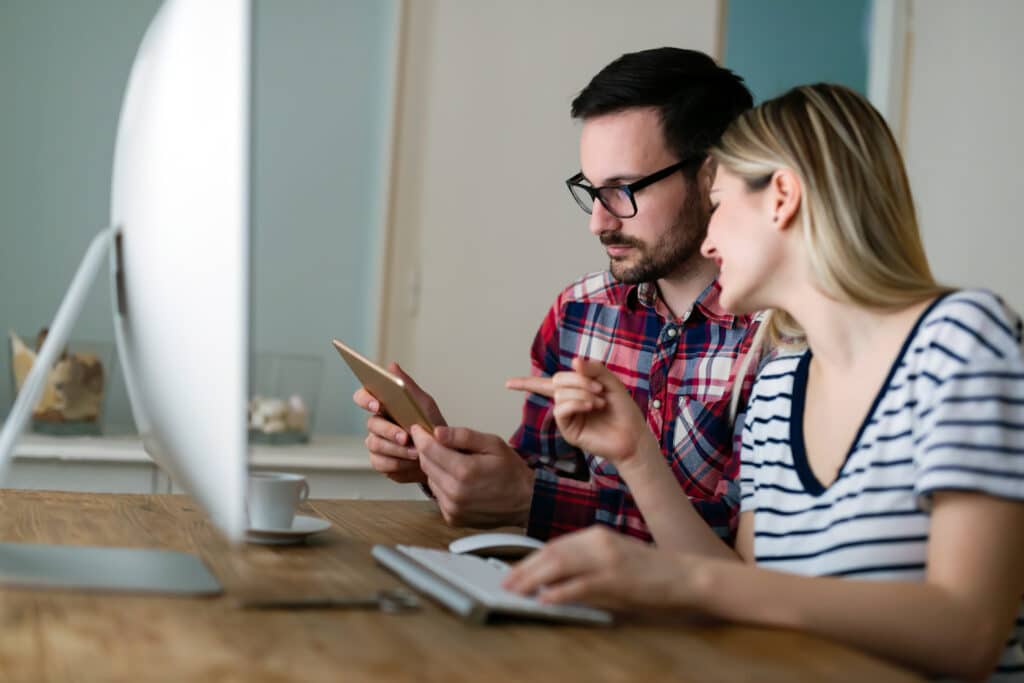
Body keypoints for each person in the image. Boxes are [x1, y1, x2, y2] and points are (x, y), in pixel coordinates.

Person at [502, 83, 1024, 680]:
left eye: (718, 204)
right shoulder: (779, 385)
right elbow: (744, 589)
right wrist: (635, 455)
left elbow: (969, 631)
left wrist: (684, 580)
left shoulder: (961, 340)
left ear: (781, 198)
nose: (708, 237)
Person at [354, 47, 759, 541]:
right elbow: (542, 480)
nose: (598, 222)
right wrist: (442, 456)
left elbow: (745, 544)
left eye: (624, 189)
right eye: (591, 191)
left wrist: (532, 499)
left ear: (712, 176)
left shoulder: (779, 333)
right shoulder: (581, 312)